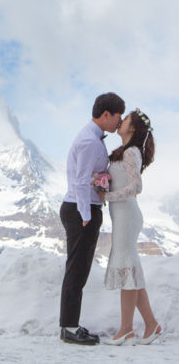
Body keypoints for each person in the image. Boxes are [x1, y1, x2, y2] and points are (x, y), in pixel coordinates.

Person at [60, 92, 125, 345]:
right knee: (76, 270)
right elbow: (79, 180)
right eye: (118, 117)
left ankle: (71, 325)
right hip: (80, 211)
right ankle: (69, 328)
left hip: (82, 208)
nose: (119, 122)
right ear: (106, 114)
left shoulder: (93, 138)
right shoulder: (89, 141)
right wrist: (86, 214)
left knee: (80, 269)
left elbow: (88, 177)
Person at [99, 109, 161, 346]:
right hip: (121, 216)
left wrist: (109, 196)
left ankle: (126, 329)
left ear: (133, 128)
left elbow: (137, 187)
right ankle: (151, 324)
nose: (121, 121)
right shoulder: (123, 152)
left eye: (125, 119)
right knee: (131, 270)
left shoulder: (132, 152)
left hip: (127, 216)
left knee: (127, 269)